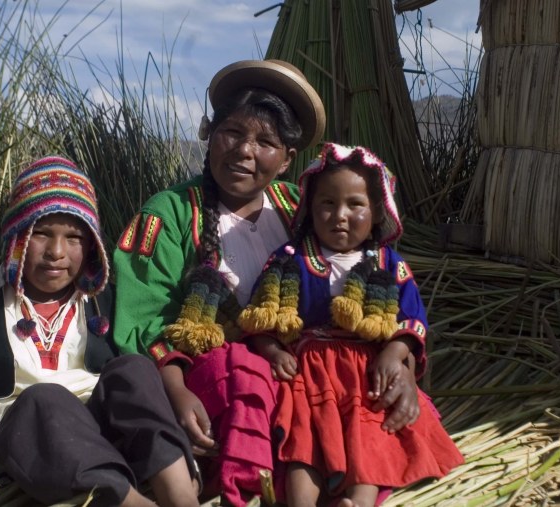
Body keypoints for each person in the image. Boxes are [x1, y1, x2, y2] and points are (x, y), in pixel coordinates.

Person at [111, 60, 421, 506]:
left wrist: (402, 365)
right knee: (245, 371)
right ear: (209, 132)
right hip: (222, 380)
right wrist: (177, 393)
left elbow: (376, 281)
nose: (244, 151)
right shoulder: (170, 213)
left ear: (287, 159)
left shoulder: (305, 206)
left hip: (312, 373)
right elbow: (144, 316)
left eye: (265, 142)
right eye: (232, 133)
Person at [0, 156, 200, 507]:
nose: (56, 252)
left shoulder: (106, 302)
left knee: (133, 369)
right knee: (46, 397)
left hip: (103, 428)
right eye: (41, 234)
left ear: (91, 247)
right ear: (16, 237)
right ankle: (132, 502)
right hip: (33, 434)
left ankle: (180, 493)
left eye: (73, 237)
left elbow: (139, 384)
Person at [238, 143, 465, 506]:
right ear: (310, 210)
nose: (339, 215)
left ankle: (358, 502)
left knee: (369, 434)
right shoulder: (289, 261)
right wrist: (270, 349)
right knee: (304, 441)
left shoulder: (388, 265)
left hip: (366, 373)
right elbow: (260, 313)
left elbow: (413, 318)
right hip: (307, 374)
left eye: (355, 205)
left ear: (377, 212)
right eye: (327, 203)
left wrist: (394, 352)